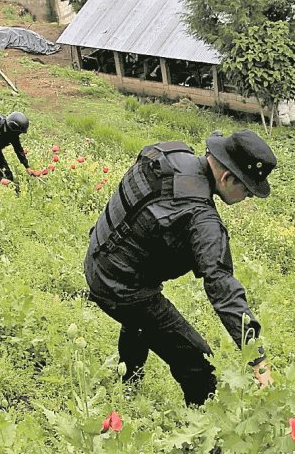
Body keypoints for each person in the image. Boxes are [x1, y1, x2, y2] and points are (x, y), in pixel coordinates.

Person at [83, 130, 276, 406]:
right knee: (198, 363)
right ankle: (197, 434)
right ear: (227, 178)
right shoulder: (201, 219)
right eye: (247, 190)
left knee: (139, 321)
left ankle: (127, 385)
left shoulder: (168, 152)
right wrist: (258, 361)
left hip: (99, 255)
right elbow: (222, 287)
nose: (248, 197)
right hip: (119, 286)